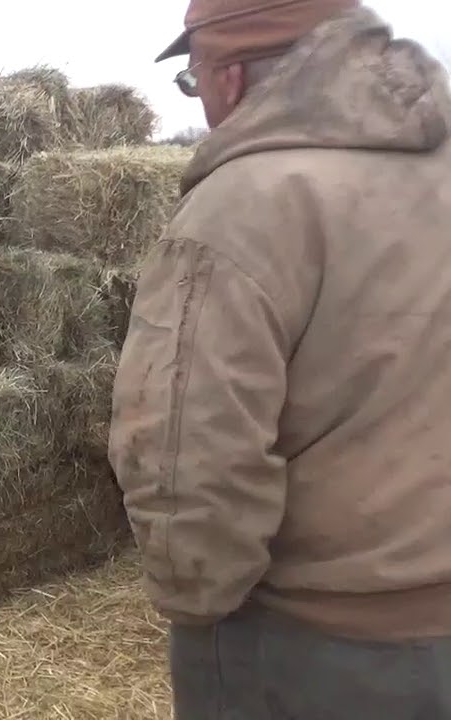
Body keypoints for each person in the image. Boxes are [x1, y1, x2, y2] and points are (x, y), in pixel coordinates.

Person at [109, 0, 451, 717]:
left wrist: (201, 605)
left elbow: (184, 454)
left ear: (227, 79)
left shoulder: (241, 208)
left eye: (192, 83)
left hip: (318, 646)